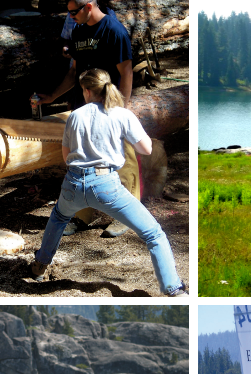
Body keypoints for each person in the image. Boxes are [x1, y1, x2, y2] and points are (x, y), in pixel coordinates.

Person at [29, 68, 187, 296]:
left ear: (86, 90)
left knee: (59, 217)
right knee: (154, 234)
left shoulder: (75, 115)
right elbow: (146, 148)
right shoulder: (122, 114)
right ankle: (174, 289)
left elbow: (66, 157)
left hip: (72, 185)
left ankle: (38, 267)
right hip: (106, 185)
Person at [38, 0, 134, 237]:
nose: (70, 17)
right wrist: (51, 97)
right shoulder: (79, 32)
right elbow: (74, 73)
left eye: (73, 12)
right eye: (68, 12)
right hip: (85, 105)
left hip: (111, 106)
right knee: (84, 161)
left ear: (88, 7)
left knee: (122, 159)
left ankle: (126, 217)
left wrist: (122, 109)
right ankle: (82, 215)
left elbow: (126, 72)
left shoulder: (114, 31)